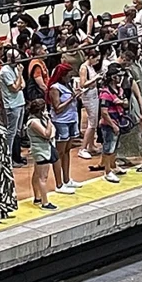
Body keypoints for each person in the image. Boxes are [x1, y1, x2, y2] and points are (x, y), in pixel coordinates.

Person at [47, 63, 83, 194]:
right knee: (59, 153)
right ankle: (59, 183)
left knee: (67, 151)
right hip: (61, 122)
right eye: (68, 75)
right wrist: (72, 99)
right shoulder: (54, 88)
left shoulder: (68, 85)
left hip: (72, 119)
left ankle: (67, 179)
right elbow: (57, 108)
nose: (70, 77)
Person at [25, 99, 58, 211]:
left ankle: (37, 197)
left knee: (37, 174)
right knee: (42, 177)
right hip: (41, 151)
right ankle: (45, 202)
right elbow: (47, 134)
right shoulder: (34, 122)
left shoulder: (40, 119)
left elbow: (53, 130)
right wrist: (49, 120)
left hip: (44, 149)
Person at [98, 65, 128, 184]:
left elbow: (126, 102)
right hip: (109, 124)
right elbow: (104, 113)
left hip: (119, 120)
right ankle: (107, 171)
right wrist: (113, 125)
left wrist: (121, 102)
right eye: (117, 76)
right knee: (108, 148)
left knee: (115, 147)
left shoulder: (119, 90)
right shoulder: (105, 93)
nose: (119, 78)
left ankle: (113, 165)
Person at [0, 47, 27, 167]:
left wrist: (19, 81)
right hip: (12, 105)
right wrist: (19, 75)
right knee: (11, 132)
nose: (19, 62)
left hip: (20, 102)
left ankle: (16, 156)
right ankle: (7, 157)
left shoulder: (16, 68)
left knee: (18, 132)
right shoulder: (5, 71)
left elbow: (22, 85)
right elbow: (14, 88)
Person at [78, 49, 102, 159]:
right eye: (96, 59)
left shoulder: (91, 66)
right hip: (88, 97)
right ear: (91, 57)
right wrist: (96, 78)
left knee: (94, 122)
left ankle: (91, 145)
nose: (97, 62)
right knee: (92, 123)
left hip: (94, 95)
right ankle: (82, 148)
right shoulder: (84, 68)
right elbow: (83, 84)